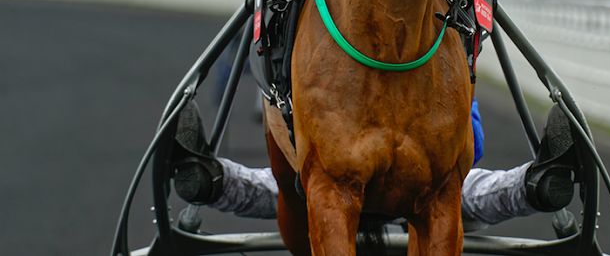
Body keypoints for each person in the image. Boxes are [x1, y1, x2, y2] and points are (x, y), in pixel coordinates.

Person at [172, 98, 580, 231]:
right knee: (479, 192)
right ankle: (536, 187)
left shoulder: (445, 74)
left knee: (284, 188)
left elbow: (471, 149)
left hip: (422, 197)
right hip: (349, 190)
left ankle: (213, 183)